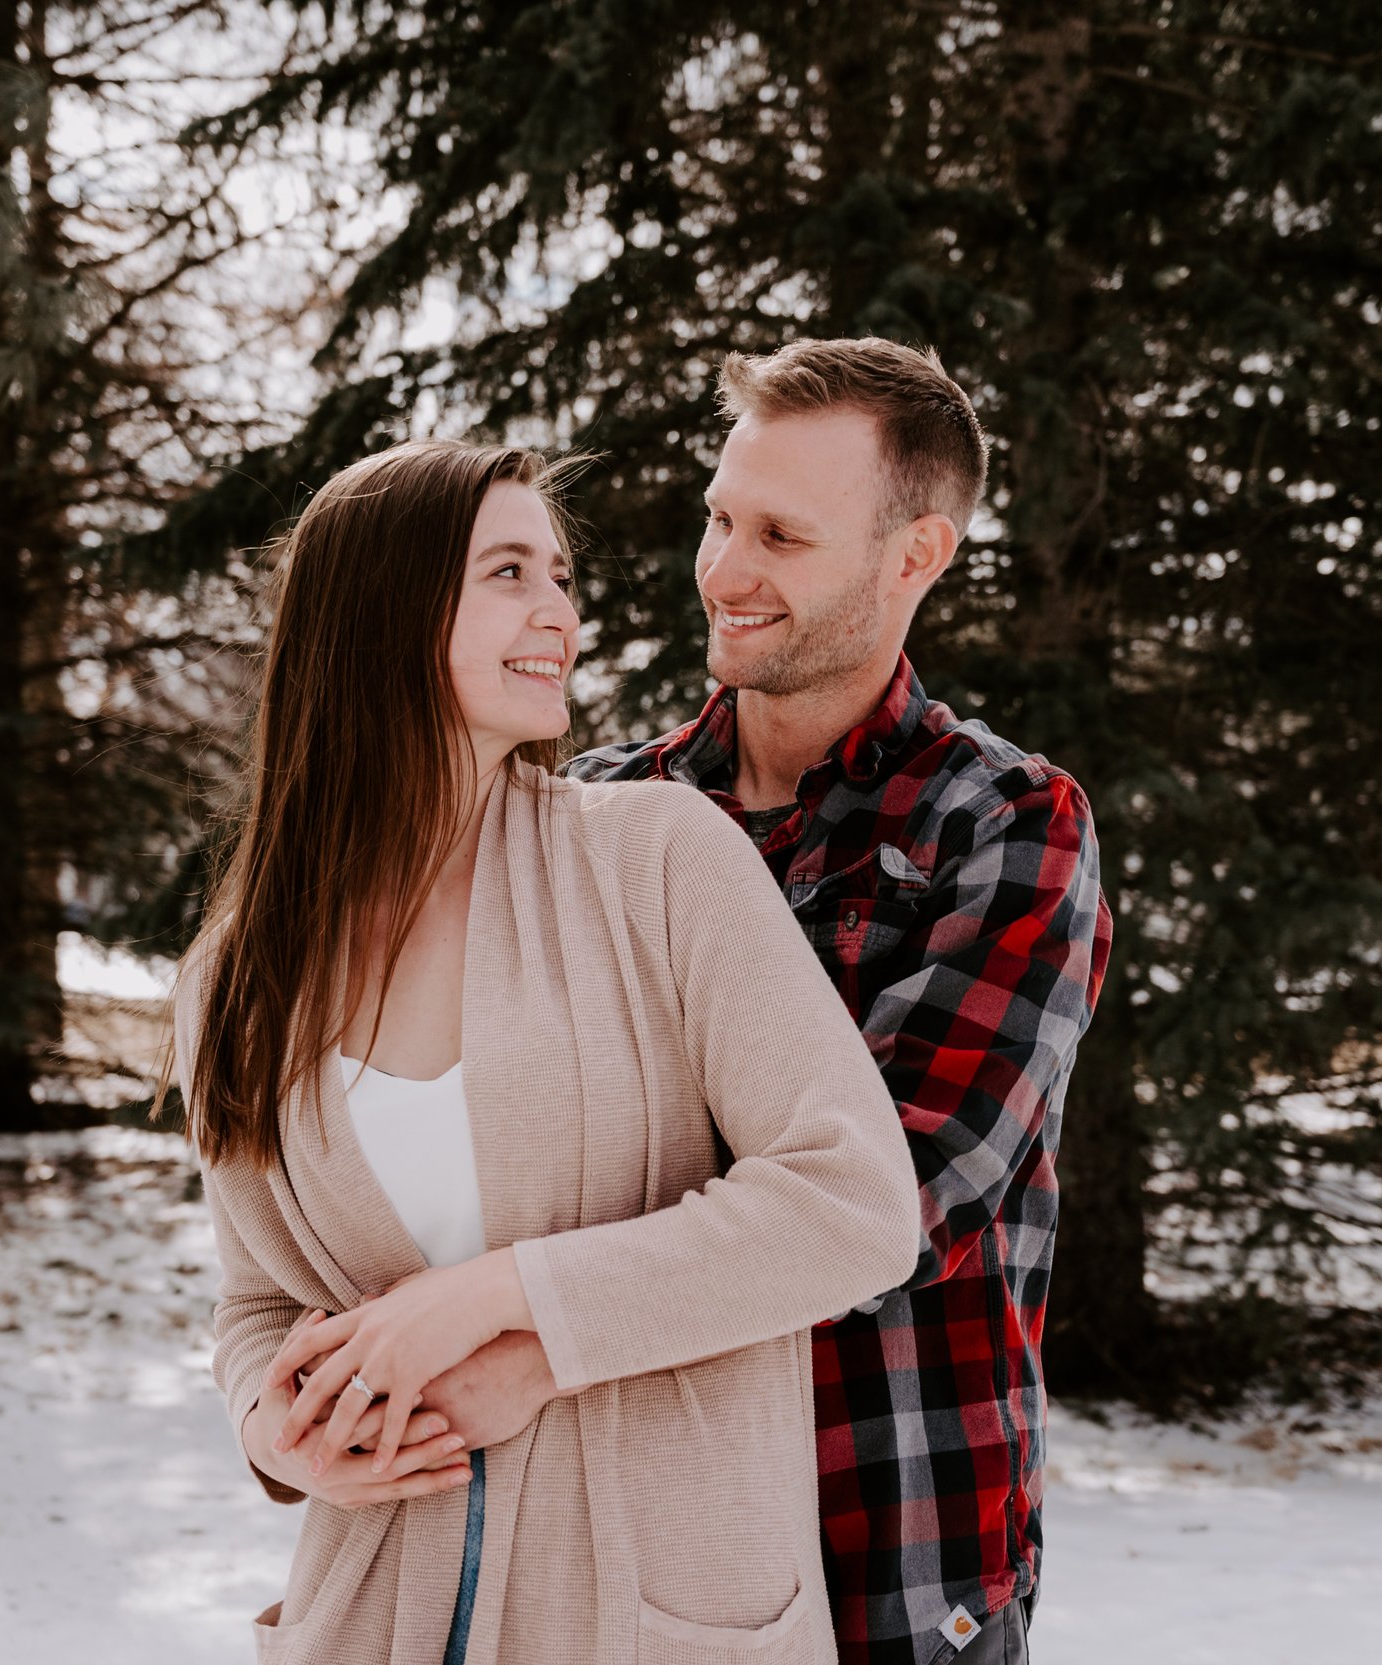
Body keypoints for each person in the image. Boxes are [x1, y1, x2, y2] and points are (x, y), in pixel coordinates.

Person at [167, 437, 922, 1665]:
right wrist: (274, 1430)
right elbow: (258, 1299)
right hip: (378, 1608)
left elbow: (853, 1204)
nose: (560, 615)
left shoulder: (656, 859)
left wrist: (499, 1301)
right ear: (381, 611)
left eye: (560, 577)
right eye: (510, 573)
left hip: (657, 1610)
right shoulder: (238, 977)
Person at [425, 339, 1110, 1664]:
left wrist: (542, 1338)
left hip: (884, 1547)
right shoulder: (591, 817)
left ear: (915, 556)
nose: (724, 570)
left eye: (782, 537)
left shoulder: (1005, 826)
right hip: (616, 1540)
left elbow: (887, 1203)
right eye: (720, 518)